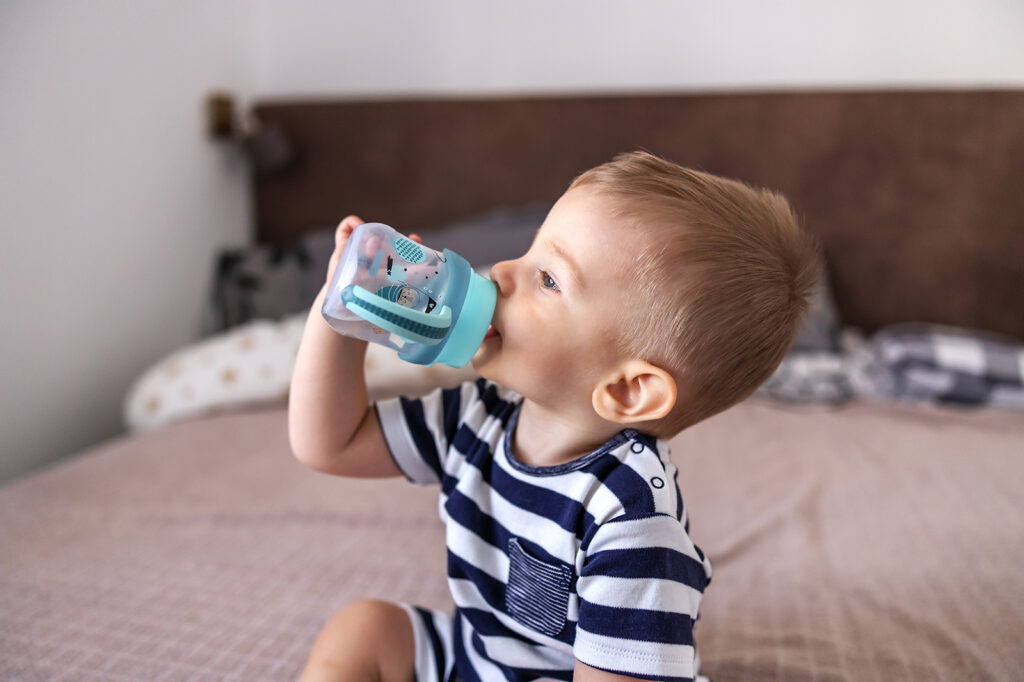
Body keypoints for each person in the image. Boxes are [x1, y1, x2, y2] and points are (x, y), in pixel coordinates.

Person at [289, 151, 821, 682]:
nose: (501, 271)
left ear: (628, 389)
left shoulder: (633, 523)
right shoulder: (477, 417)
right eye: (529, 252)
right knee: (365, 628)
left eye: (548, 279)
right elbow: (332, 443)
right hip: (478, 660)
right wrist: (339, 315)